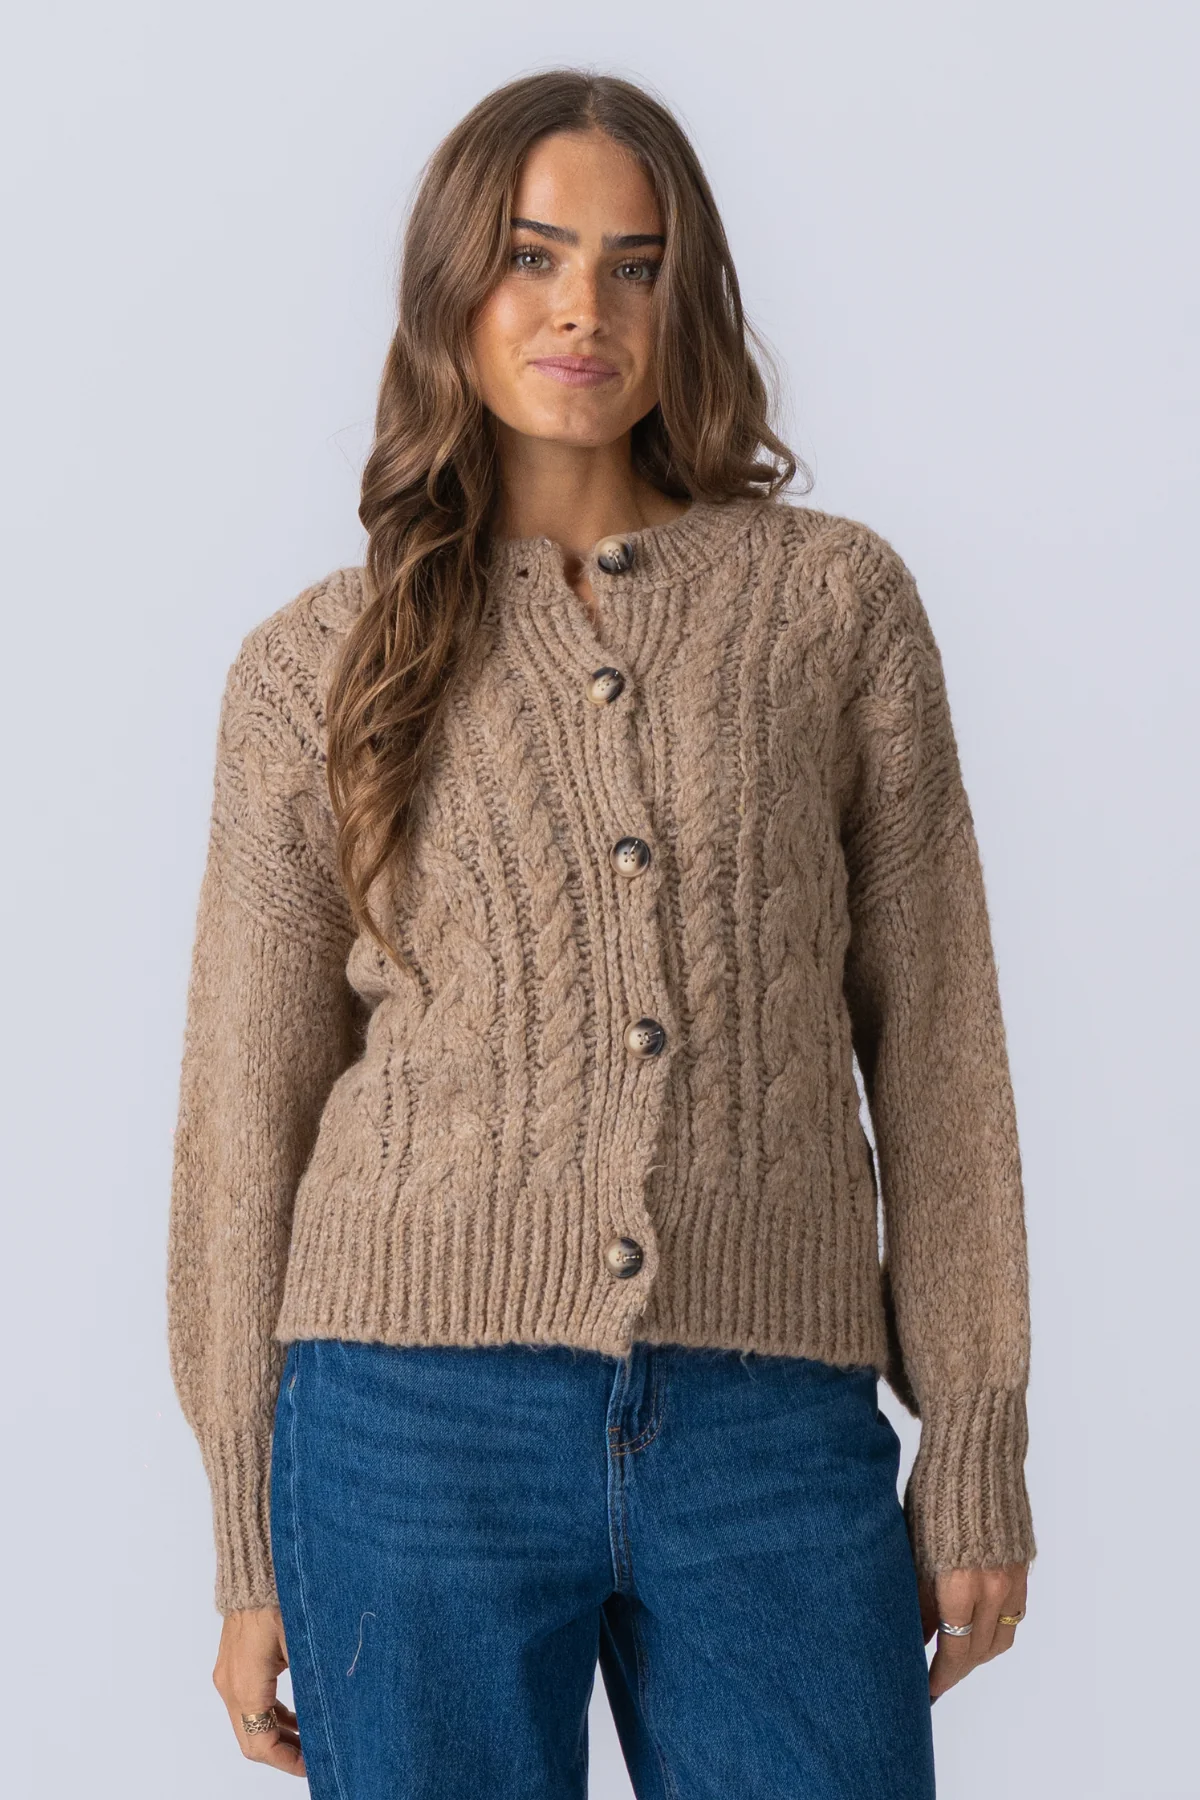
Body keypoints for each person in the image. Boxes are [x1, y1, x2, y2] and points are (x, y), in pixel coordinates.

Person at [166, 67, 1034, 1800]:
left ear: (686, 299)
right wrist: (246, 1537)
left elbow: (938, 1046)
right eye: (534, 256)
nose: (584, 308)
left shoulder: (833, 606)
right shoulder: (316, 664)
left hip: (772, 1420)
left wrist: (978, 1448)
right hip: (406, 1427)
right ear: (452, 287)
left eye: (634, 267)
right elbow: (243, 1119)